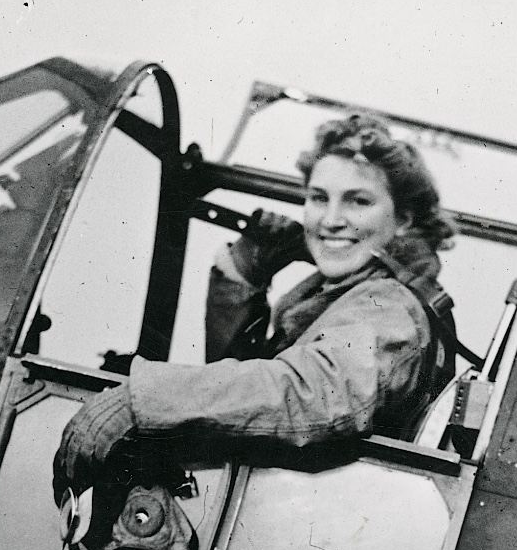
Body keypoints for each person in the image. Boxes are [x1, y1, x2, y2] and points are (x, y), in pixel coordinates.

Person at [54, 113, 456, 488]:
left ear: (403, 219)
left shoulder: (387, 305)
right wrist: (244, 275)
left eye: (358, 201)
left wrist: (144, 400)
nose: (330, 220)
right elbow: (246, 405)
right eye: (319, 198)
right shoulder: (339, 298)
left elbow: (315, 395)